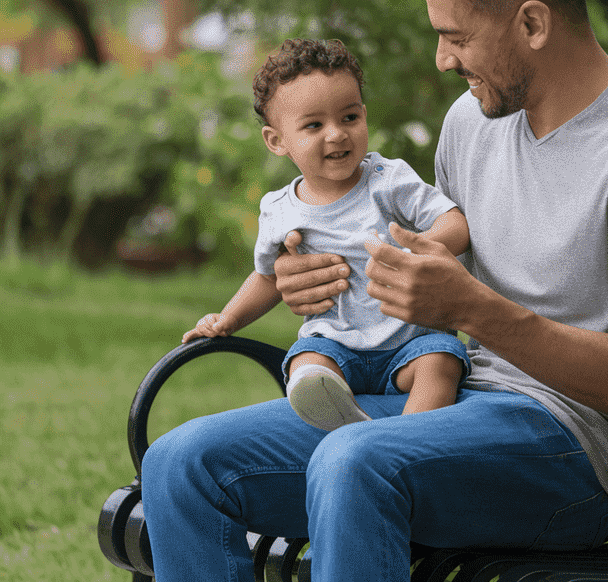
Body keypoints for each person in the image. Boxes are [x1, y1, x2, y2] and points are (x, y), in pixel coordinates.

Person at [141, 0, 608, 582]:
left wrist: (472, 310)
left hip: (574, 451)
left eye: (458, 36)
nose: (444, 60)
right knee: (181, 464)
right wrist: (319, 277)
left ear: (533, 22)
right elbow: (420, 273)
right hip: (453, 404)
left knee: (354, 461)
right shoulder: (472, 124)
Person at [181, 38, 471, 430]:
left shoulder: (388, 180)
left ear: (364, 115)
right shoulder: (280, 209)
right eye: (314, 125)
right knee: (305, 362)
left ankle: (410, 439)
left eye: (349, 118)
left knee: (441, 361)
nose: (336, 135)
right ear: (276, 140)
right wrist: (228, 319)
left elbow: (454, 224)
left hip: (410, 341)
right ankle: (335, 415)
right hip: (337, 345)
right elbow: (268, 277)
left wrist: (416, 255)